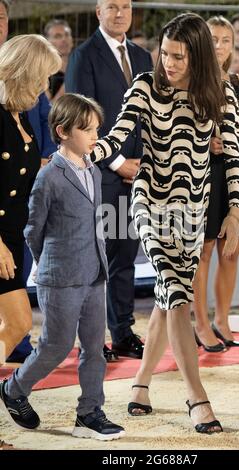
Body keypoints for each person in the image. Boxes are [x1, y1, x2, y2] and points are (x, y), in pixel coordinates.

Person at [93, 13, 239, 433]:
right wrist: (90, 149)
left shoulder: (220, 96)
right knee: (177, 293)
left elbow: (232, 157)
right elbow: (118, 133)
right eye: (164, 53)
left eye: (178, 56)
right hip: (150, 204)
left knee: (165, 298)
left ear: (196, 57)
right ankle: (197, 397)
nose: (168, 63)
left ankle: (140, 384)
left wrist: (233, 213)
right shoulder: (144, 86)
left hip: (193, 212)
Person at [0, 93, 125, 441]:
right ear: (63, 131)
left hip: (94, 273)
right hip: (60, 276)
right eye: (88, 130)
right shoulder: (48, 177)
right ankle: (14, 388)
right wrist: (52, 260)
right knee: (55, 346)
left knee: (94, 347)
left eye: (97, 129)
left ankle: (89, 412)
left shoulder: (95, 171)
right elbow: (32, 229)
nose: (95, 136)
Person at [65, 0, 153, 362]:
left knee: (124, 258)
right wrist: (118, 162)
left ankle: (122, 333)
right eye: (112, 6)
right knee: (93, 260)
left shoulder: (144, 57)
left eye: (126, 6)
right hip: (99, 173)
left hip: (138, 174)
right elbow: (79, 116)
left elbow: (151, 114)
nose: (120, 13)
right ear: (98, 11)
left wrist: (144, 163)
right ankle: (90, 337)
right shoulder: (83, 56)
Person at [192, 16, 239, 352]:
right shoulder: (189, 78)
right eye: (213, 39)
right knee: (202, 251)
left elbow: (234, 129)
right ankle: (200, 324)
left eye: (226, 40)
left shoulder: (233, 80)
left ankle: (223, 320)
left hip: (231, 170)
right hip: (201, 173)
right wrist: (206, 144)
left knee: (232, 249)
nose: (219, 46)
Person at [0, 34, 61, 368]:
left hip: (12, 235)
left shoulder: (18, 114)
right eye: (41, 77)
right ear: (23, 74)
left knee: (18, 323)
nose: (44, 86)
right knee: (18, 323)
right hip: (0, 242)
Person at [44, 19, 74, 103]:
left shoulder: (83, 66)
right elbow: (49, 109)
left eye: (67, 35)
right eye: (58, 36)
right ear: (48, 42)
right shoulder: (43, 73)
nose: (64, 39)